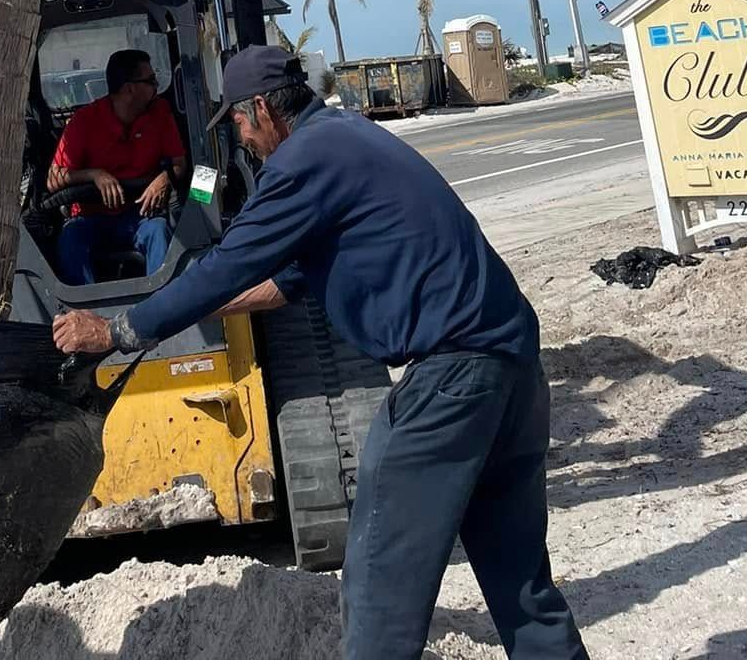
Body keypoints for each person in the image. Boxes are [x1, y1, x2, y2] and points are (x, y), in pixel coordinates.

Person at [54, 45, 588, 660]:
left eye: (236, 121)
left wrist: (120, 331)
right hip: (513, 364)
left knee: (377, 581)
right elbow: (300, 273)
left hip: (450, 377)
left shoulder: (302, 162)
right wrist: (211, 301)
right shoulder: (345, 135)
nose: (239, 137)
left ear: (260, 108)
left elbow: (227, 261)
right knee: (519, 580)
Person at [47, 49, 186, 284]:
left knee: (160, 230)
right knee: (70, 238)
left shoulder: (160, 113)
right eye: (151, 81)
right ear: (129, 88)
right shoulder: (84, 121)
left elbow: (180, 164)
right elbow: (54, 180)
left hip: (140, 215)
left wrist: (165, 179)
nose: (157, 86)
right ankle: (82, 313)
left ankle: (161, 304)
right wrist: (95, 175)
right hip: (91, 219)